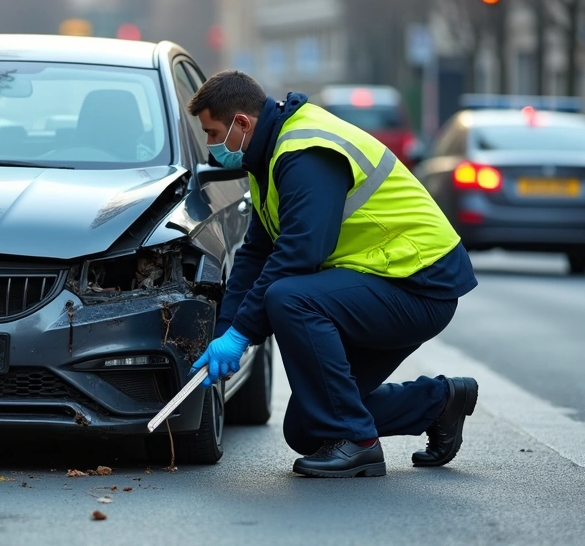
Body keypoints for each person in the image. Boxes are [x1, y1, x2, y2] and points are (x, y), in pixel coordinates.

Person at [186, 71, 479, 478]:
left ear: (242, 123)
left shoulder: (304, 152)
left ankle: (358, 443)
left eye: (213, 132)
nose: (212, 146)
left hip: (420, 282)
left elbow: (301, 254)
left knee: (290, 297)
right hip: (387, 280)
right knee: (308, 426)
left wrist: (242, 336)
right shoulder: (266, 158)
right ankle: (440, 402)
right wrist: (227, 328)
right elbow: (257, 251)